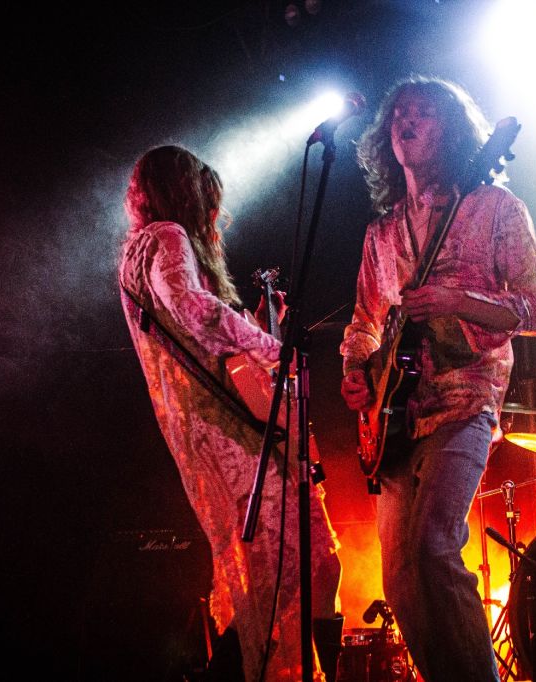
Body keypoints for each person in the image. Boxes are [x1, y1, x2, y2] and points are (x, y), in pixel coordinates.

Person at [339, 77, 536, 681]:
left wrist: (459, 300)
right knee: (399, 579)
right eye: (398, 114)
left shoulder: (496, 209)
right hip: (392, 417)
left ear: (454, 130)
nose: (405, 123)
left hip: (465, 397)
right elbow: (364, 322)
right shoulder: (381, 234)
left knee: (434, 547)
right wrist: (355, 371)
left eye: (423, 114)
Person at [118, 145, 342, 681]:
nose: (214, 216)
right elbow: (192, 307)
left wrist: (258, 327)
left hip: (212, 428)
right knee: (284, 572)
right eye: (208, 201)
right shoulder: (167, 236)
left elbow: (203, 338)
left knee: (287, 572)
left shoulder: (137, 252)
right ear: (186, 194)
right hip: (227, 434)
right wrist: (274, 349)